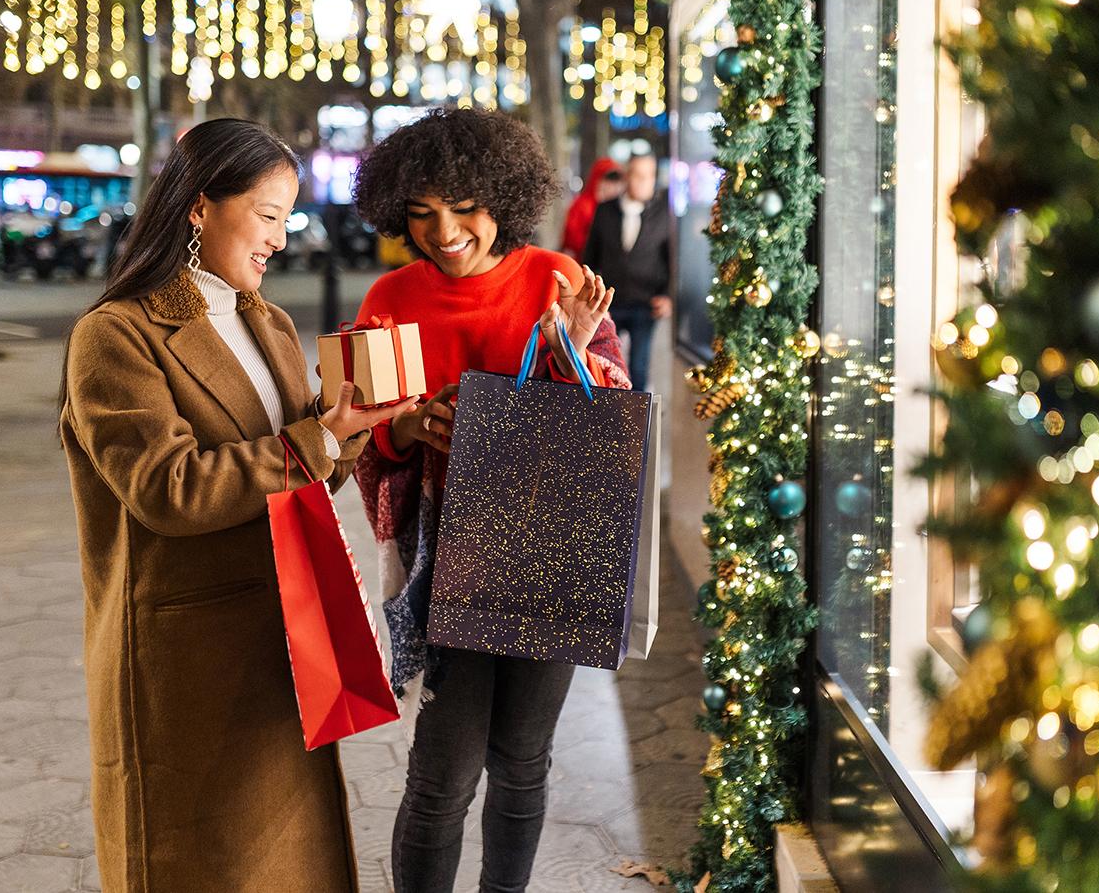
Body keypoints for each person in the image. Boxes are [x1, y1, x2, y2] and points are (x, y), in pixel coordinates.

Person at [58, 118, 416, 893]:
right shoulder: (115, 337)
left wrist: (352, 419)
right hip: (187, 658)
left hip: (287, 641)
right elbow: (168, 487)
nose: (279, 240)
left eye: (285, 219)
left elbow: (306, 465)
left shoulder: (269, 320)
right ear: (197, 206)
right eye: (268, 215)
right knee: (203, 864)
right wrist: (316, 438)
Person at [350, 106, 631, 893]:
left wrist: (575, 350)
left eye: (464, 205)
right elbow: (365, 443)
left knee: (523, 760)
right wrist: (404, 425)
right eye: (422, 213)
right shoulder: (388, 298)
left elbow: (609, 411)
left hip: (553, 548)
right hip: (450, 557)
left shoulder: (559, 278)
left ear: (502, 195)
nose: (446, 230)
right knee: (442, 775)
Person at [581, 153, 673, 391]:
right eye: (637, 175)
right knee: (603, 363)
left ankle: (636, 424)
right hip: (609, 301)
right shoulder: (605, 210)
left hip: (646, 301)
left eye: (648, 176)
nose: (642, 181)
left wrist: (668, 296)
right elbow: (590, 256)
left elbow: (673, 259)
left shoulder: (664, 213)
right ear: (627, 176)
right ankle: (605, 418)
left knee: (639, 367)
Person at [559, 156, 622, 261]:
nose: (613, 186)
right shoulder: (582, 205)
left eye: (616, 182)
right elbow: (572, 239)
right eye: (608, 180)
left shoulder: (617, 207)